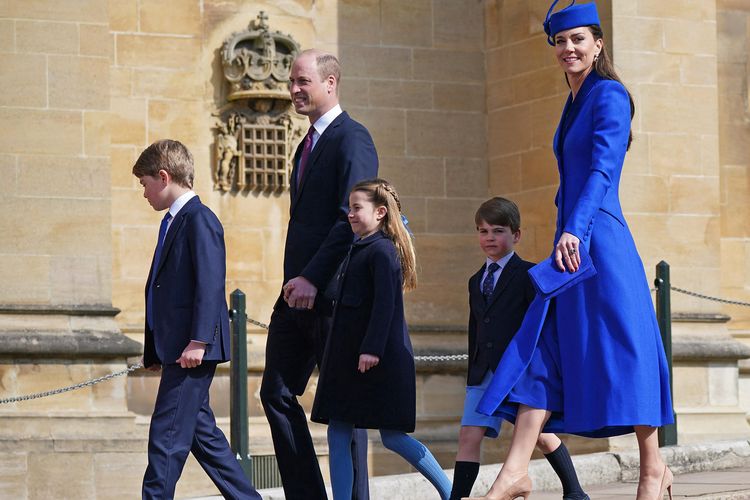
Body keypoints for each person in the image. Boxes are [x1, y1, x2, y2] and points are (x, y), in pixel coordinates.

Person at [466, 2, 674, 500]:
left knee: (628, 351)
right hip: (574, 240)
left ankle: (653, 468)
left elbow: (602, 170)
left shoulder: (610, 95)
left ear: (598, 43)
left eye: (578, 39)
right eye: (560, 41)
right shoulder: (573, 100)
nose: (569, 49)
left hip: (599, 242)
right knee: (540, 350)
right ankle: (516, 470)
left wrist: (575, 230)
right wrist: (568, 230)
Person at [260, 49, 378, 500]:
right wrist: (297, 281)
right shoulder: (305, 144)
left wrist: (312, 277)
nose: (293, 90)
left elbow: (350, 218)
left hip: (333, 295)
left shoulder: (353, 139)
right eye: (292, 82)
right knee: (275, 393)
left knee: (344, 407)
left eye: (302, 81)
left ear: (330, 83)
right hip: (298, 295)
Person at [133, 139, 261, 500]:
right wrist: (156, 349)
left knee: (165, 438)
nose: (143, 194)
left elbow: (209, 282)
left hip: (192, 348)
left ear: (163, 176)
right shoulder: (173, 221)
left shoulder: (199, 219)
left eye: (144, 184)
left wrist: (199, 341)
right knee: (204, 438)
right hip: (178, 347)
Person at [310, 178, 451, 500]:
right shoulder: (359, 248)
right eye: (349, 207)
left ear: (380, 212)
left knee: (392, 437)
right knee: (338, 430)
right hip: (350, 361)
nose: (350, 213)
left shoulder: (382, 251)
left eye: (357, 207)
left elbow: (387, 305)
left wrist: (371, 349)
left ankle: (451, 493)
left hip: (377, 361)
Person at [449, 197, 588, 500]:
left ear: (516, 235)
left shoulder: (529, 275)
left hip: (518, 370)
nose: (489, 238)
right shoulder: (475, 280)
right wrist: (472, 369)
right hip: (483, 370)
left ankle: (575, 492)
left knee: (538, 435)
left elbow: (541, 325)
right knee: (469, 435)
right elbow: (477, 326)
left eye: (498, 231)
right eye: (483, 231)